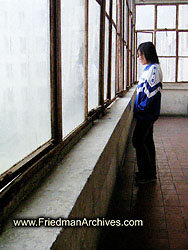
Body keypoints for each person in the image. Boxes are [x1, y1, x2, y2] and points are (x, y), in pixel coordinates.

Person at [132, 41, 163, 185]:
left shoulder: (154, 70)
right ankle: (149, 172)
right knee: (146, 140)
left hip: (147, 114)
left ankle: (147, 174)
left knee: (137, 141)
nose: (138, 57)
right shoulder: (149, 68)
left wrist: (141, 108)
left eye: (140, 54)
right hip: (145, 114)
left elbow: (150, 94)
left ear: (147, 54)